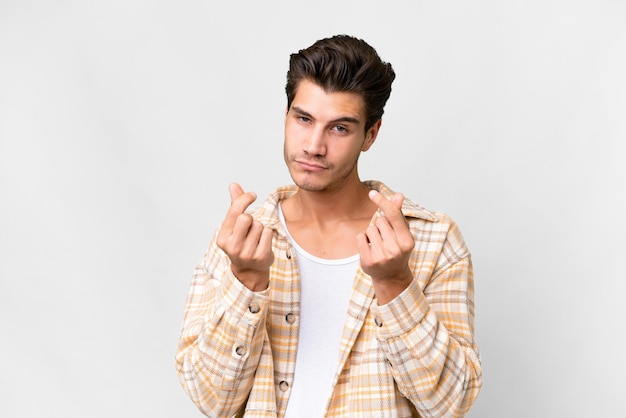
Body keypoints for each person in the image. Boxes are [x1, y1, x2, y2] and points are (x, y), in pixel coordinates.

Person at [176, 34, 482, 418]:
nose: (314, 146)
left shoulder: (433, 240)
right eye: (303, 119)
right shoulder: (243, 239)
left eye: (339, 128)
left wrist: (395, 284)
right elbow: (211, 399)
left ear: (370, 134)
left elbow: (450, 403)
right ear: (286, 117)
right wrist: (246, 281)